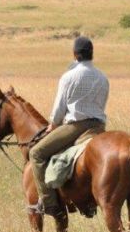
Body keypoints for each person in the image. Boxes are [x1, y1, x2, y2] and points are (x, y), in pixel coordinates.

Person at [29, 36, 109, 217]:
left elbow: (59, 109)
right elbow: (102, 104)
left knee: (36, 153)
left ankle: (48, 203)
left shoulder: (69, 76)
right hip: (98, 126)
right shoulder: (103, 77)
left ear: (75, 55)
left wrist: (53, 125)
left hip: (76, 126)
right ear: (92, 54)